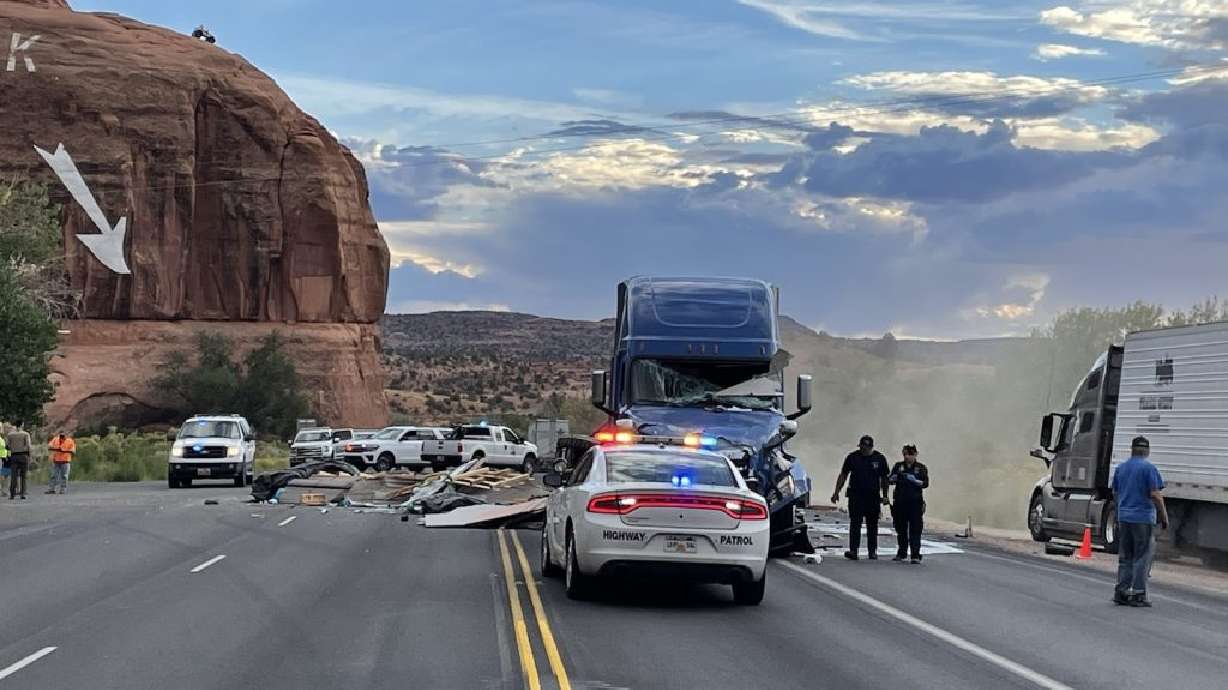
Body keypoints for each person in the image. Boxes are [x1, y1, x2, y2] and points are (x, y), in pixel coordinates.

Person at [1112, 436, 1168, 607]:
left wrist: (1119, 512)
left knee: (1126, 556)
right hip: (1142, 518)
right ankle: (1137, 593)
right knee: (1142, 556)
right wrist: (1163, 516)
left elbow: (1116, 492)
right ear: (1147, 450)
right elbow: (1155, 494)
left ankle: (1121, 592)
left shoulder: (1121, 468)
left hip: (1124, 517)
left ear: (1132, 449)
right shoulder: (1149, 469)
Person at [831, 435, 890, 560]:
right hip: (856, 496)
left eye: (866, 448)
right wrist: (836, 492)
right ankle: (853, 550)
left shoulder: (879, 459)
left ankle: (872, 551)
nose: (864, 450)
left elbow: (884, 479)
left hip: (873, 497)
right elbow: (843, 475)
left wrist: (885, 496)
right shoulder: (853, 457)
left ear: (871, 447)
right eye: (862, 448)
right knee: (855, 524)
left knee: (872, 525)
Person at [889, 444, 930, 564]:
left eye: (910, 454)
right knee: (900, 529)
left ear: (915, 454)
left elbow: (925, 483)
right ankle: (902, 553)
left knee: (915, 530)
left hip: (915, 503)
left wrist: (915, 480)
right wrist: (893, 478)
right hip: (900, 502)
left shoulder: (921, 468)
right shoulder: (898, 466)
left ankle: (915, 555)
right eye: (905, 454)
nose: (907, 457)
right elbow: (889, 480)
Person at [6, 423, 33, 500]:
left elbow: (7, 446)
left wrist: (9, 455)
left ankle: (12, 494)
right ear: (22, 425)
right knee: (23, 476)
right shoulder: (25, 434)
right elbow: (28, 446)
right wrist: (30, 457)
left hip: (14, 456)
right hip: (23, 456)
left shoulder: (10, 435)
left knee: (13, 476)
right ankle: (22, 494)